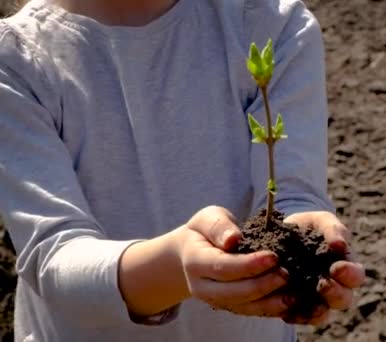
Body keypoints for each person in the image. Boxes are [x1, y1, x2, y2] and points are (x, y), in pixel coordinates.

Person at [0, 0, 365, 340]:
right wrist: (176, 266)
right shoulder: (17, 61)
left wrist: (308, 239)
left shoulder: (269, 24)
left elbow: (293, 196)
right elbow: (55, 257)